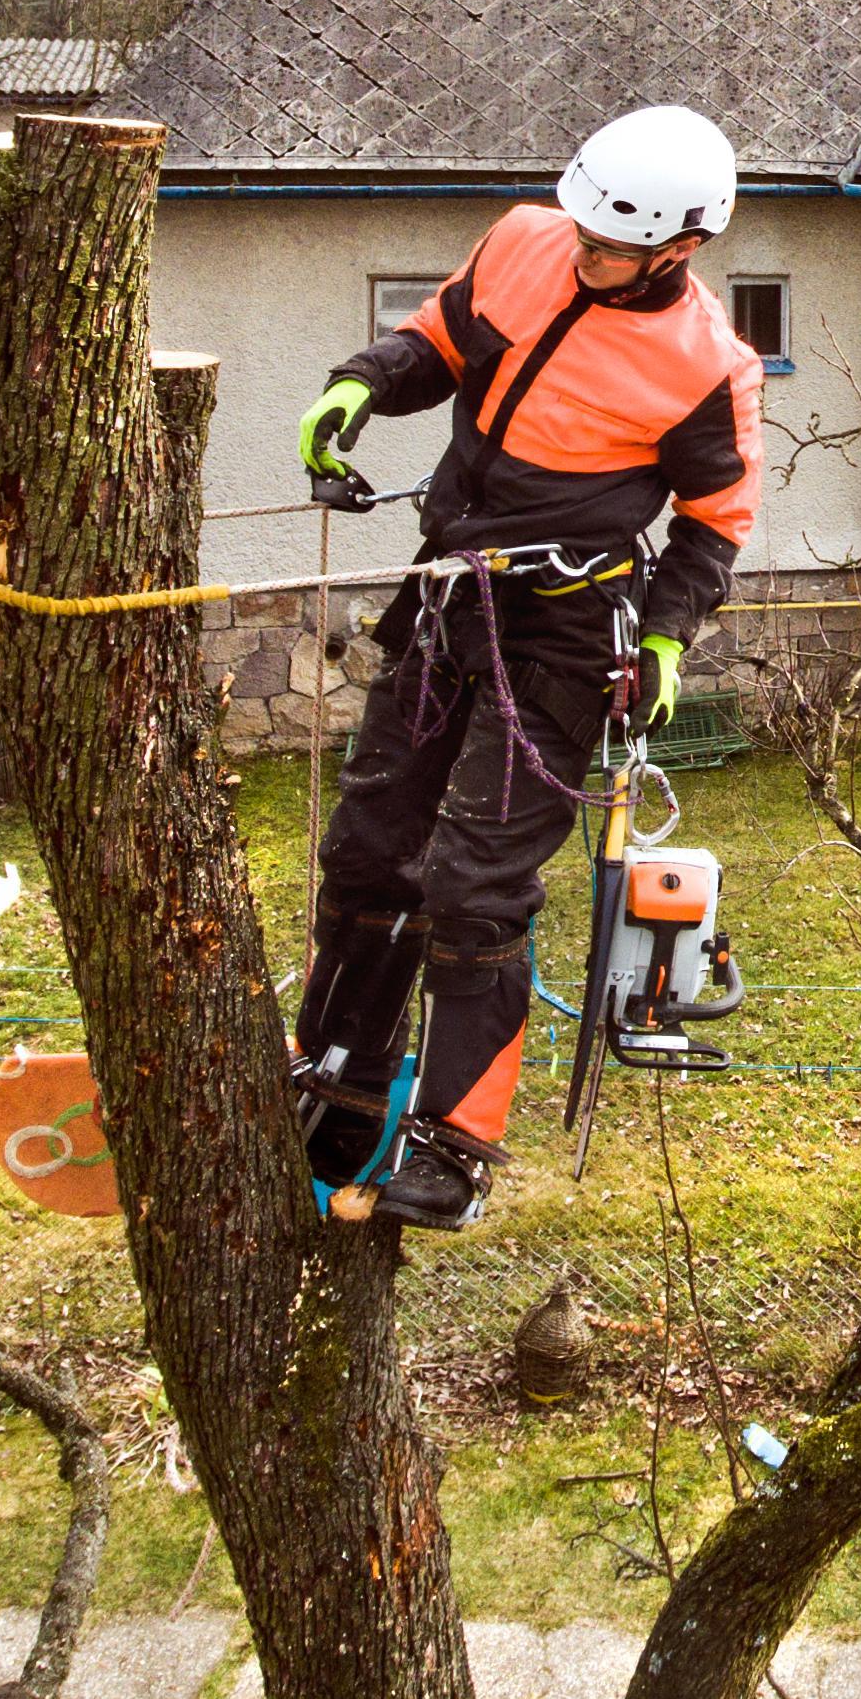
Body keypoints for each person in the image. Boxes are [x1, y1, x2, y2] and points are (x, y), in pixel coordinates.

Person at [285, 104, 762, 1229]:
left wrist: (660, 637)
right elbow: (439, 344)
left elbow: (713, 522)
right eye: (581, 230)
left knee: (474, 884)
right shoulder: (524, 239)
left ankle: (456, 1147)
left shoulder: (709, 366)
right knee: (367, 847)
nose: (583, 254)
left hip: (559, 633)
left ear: (679, 248)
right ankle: (339, 1069)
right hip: (449, 588)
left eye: (609, 247)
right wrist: (361, 381)